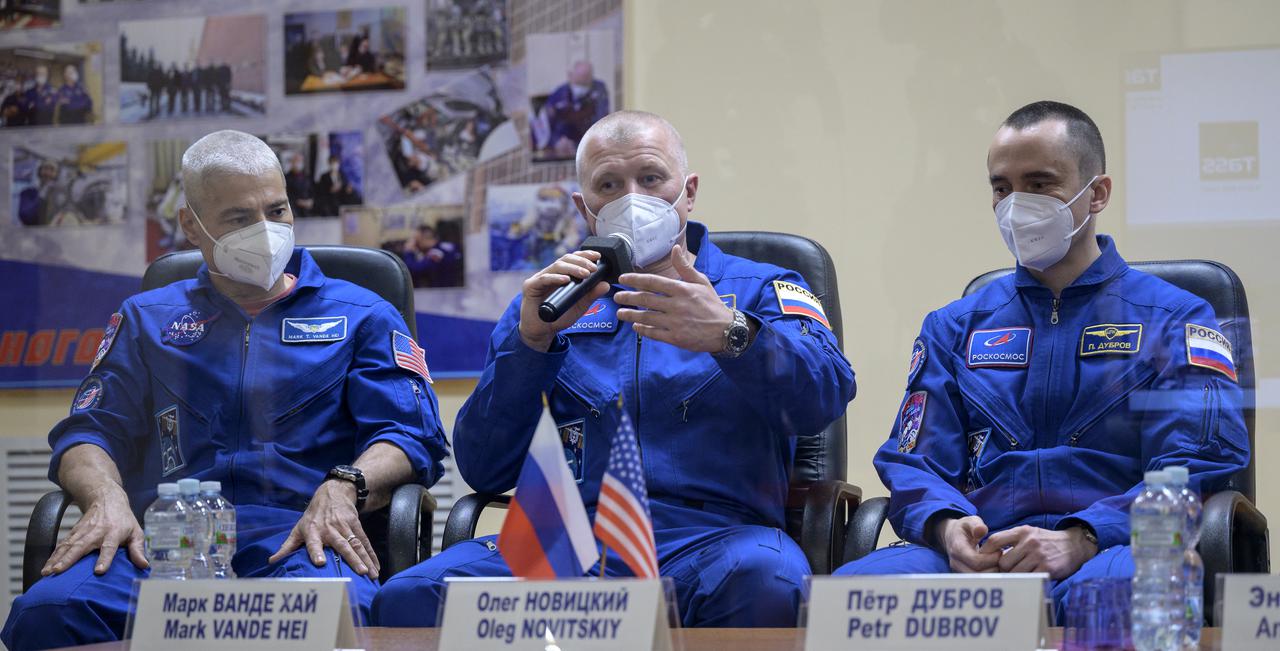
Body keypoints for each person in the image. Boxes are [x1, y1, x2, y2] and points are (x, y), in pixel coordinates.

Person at [372, 110, 856, 628]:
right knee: (409, 599)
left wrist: (730, 333)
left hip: (716, 538)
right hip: (566, 537)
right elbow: (484, 467)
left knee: (769, 581)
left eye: (650, 179)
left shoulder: (763, 286)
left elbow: (824, 395)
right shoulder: (553, 302)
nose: (633, 198)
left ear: (687, 191)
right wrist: (531, 343)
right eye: (609, 184)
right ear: (585, 208)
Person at [1, 130, 450, 651]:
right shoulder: (148, 319)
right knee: (48, 613)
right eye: (239, 219)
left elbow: (410, 435)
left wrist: (344, 484)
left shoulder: (363, 313)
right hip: (165, 544)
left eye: (277, 210)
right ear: (191, 225)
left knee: (331, 612)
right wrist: (105, 499)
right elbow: (87, 432)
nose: (265, 231)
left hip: (302, 537)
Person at [832, 101, 1249, 620]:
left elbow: (1193, 467)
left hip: (1116, 550)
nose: (1015, 204)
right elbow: (913, 462)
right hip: (986, 554)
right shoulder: (954, 326)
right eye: (1001, 188)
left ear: (1096, 193)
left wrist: (1083, 537)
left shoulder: (1177, 318)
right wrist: (947, 526)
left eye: (1039, 183)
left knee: (1136, 597)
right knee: (849, 601)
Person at [539, 61, 610, 158]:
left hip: (587, 145)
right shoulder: (558, 95)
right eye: (579, 83)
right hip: (563, 145)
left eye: (585, 84)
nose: (581, 88)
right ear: (570, 76)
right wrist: (556, 141)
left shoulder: (599, 90)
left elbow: (601, 123)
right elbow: (545, 126)